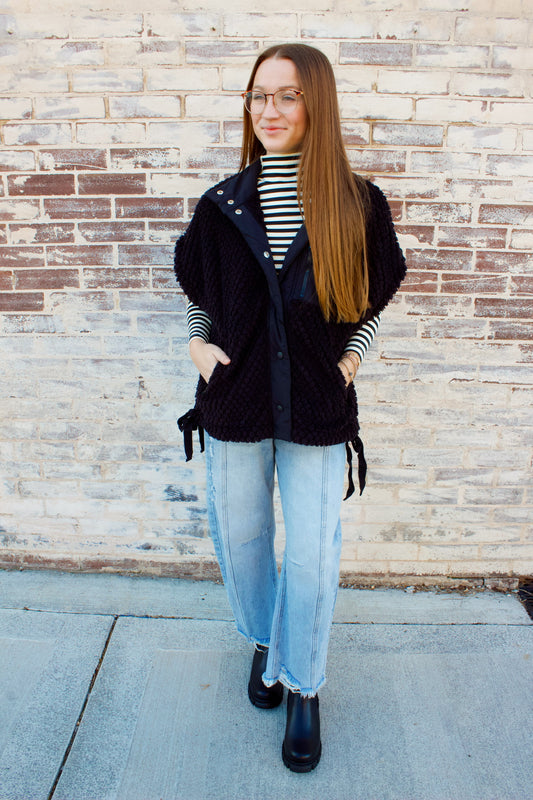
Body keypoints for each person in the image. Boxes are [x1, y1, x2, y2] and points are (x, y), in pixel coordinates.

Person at [174, 42, 406, 772]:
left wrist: (351, 358)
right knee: (241, 537)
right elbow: (201, 293)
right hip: (235, 401)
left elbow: (370, 298)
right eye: (258, 95)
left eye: (286, 95)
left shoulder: (356, 205)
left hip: (315, 407)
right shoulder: (221, 206)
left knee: (310, 554)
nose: (268, 110)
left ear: (317, 104)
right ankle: (265, 639)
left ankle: (303, 683)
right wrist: (197, 345)